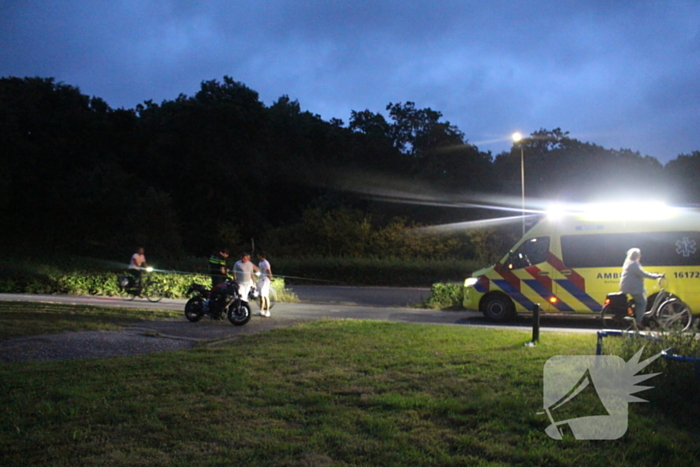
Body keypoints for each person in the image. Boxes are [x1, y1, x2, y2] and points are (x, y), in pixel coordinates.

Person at [619, 247, 664, 329]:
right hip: (631, 287)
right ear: (636, 256)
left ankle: (636, 313)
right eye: (639, 255)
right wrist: (656, 276)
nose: (640, 256)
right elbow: (643, 274)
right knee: (642, 303)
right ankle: (638, 322)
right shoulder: (633, 264)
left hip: (630, 286)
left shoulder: (631, 263)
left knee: (643, 294)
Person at [257, 251, 273, 317]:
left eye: (258, 255)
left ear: (261, 256)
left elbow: (269, 271)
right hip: (261, 279)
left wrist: (270, 279)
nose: (257, 256)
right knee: (261, 296)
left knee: (265, 296)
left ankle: (268, 311)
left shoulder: (266, 263)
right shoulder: (260, 262)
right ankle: (261, 311)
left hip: (265, 280)